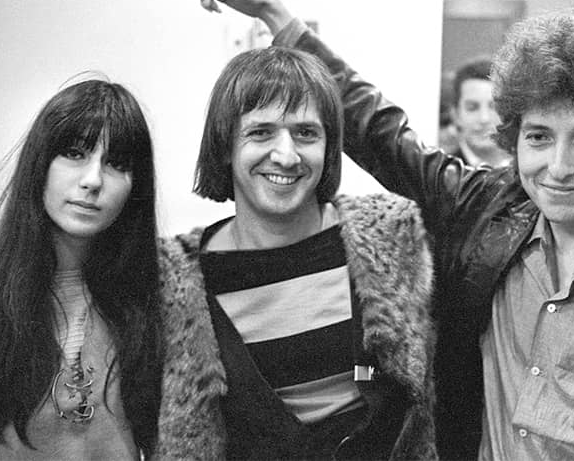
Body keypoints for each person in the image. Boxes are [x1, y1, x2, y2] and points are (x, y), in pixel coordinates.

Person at [186, 0, 574, 460]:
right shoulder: (488, 211)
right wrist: (274, 14)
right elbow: (382, 133)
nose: (559, 167)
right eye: (539, 137)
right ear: (514, 141)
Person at [154, 47, 437, 457]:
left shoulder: (392, 242)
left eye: (306, 133)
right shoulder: (177, 280)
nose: (286, 156)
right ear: (224, 145)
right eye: (261, 132)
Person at [0, 79, 163, 459]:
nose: (93, 180)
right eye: (74, 153)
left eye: (117, 164)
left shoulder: (156, 298)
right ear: (40, 163)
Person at [445, 58, 510, 167]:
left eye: (494, 107)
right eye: (472, 108)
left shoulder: (527, 171)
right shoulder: (440, 173)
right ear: (455, 115)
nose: (484, 119)